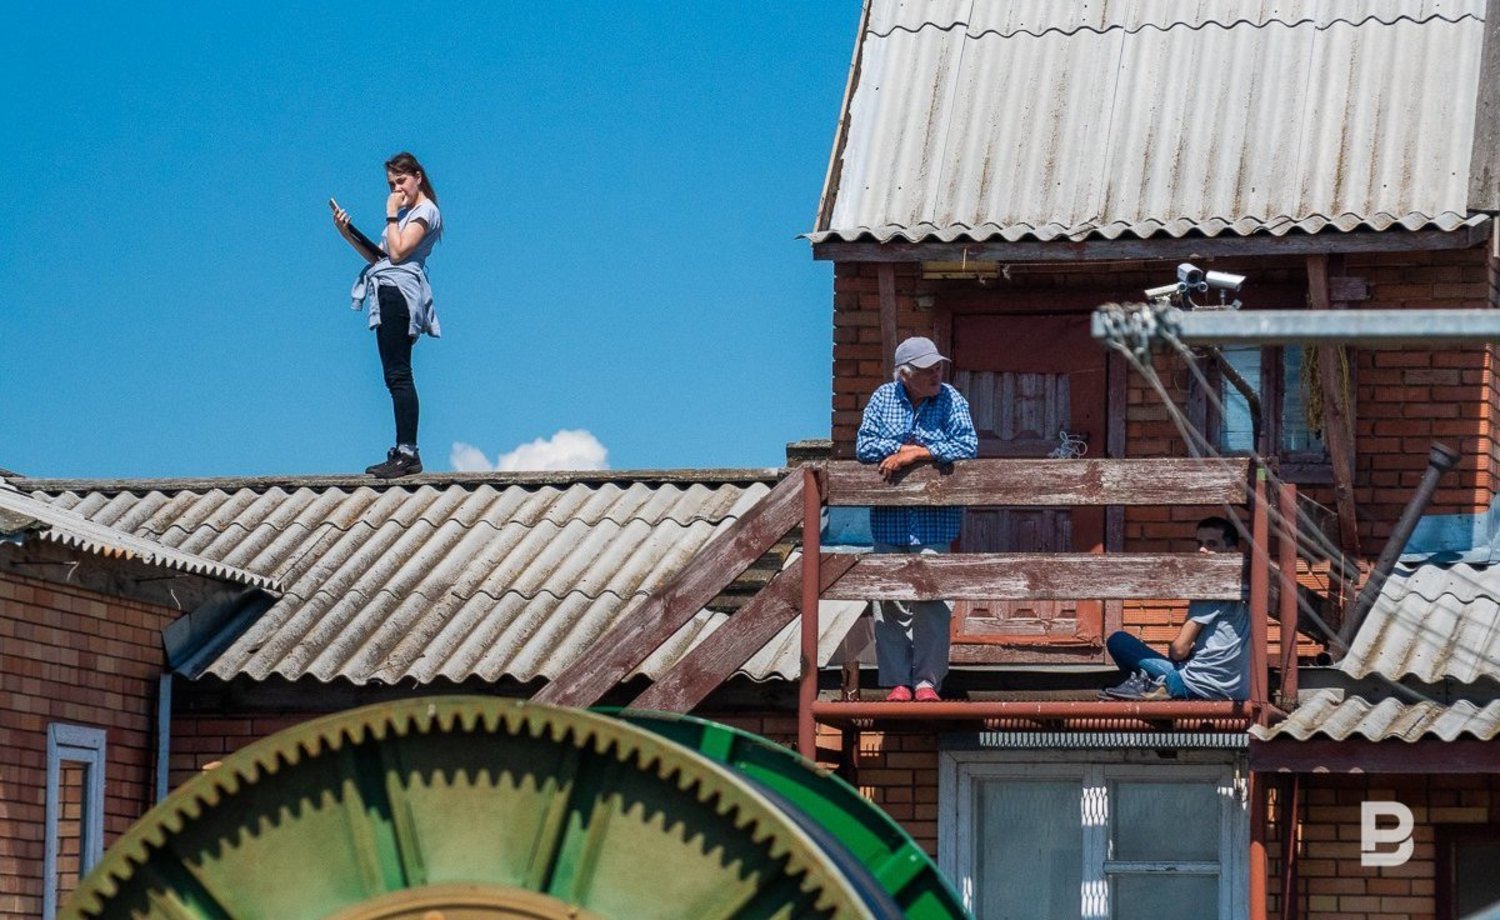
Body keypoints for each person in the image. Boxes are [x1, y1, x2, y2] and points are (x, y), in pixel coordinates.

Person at [855, 336, 979, 702]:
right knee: (890, 601)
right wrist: (902, 449)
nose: (936, 374)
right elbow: (865, 446)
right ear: (905, 374)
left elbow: (968, 445)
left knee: (932, 602)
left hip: (933, 520)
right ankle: (897, 681)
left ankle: (926, 682)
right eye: (928, 370)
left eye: (938, 367)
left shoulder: (951, 398)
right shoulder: (883, 398)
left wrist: (916, 454)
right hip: (891, 519)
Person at [332, 151, 444, 479]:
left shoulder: (425, 211)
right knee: (392, 375)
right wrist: (347, 233)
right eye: (391, 184)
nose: (396, 190)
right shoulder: (407, 212)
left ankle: (408, 452)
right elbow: (382, 257)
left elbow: (398, 252)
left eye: (401, 181)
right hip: (386, 289)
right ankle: (403, 449)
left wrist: (391, 214)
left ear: (418, 177)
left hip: (400, 293)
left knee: (399, 374)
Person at [1100, 516, 1250, 701]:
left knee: (1118, 641)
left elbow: (1179, 650)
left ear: (1231, 552)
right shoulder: (1248, 591)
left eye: (1212, 544)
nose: (1202, 550)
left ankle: (1147, 684)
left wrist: (1182, 651)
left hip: (1194, 686)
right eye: (1199, 543)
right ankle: (1147, 685)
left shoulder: (1210, 590)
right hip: (1239, 691)